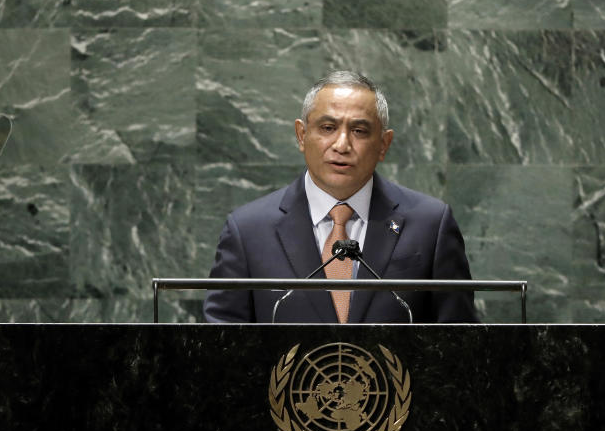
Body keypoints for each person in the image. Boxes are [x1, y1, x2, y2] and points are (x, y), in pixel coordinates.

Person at [203, 70, 477, 323]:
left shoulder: (430, 224)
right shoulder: (249, 230)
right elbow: (221, 344)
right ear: (301, 135)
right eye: (327, 128)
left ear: (384, 144)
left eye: (359, 131)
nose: (342, 145)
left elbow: (460, 341)